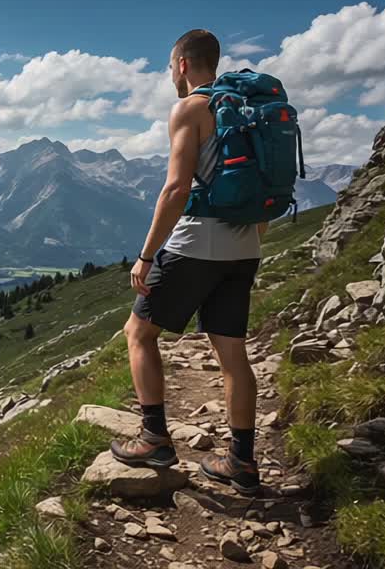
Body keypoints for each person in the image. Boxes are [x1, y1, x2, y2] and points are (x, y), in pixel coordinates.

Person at [109, 29, 267, 496]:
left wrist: (146, 255)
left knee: (138, 333)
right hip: (245, 248)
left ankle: (154, 437)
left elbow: (177, 190)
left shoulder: (191, 108)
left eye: (169, 67)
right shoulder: (250, 111)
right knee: (233, 355)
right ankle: (241, 461)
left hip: (196, 244)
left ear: (181, 64)